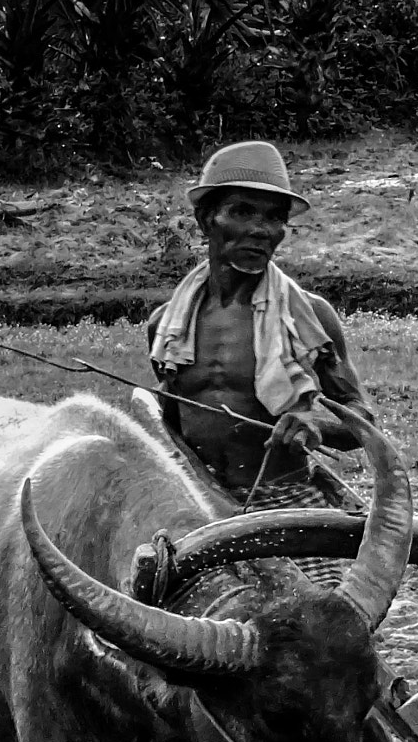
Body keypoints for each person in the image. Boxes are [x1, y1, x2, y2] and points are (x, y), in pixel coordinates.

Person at [144, 141, 374, 513]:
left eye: (273, 217)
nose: (260, 230)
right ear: (206, 220)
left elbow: (362, 420)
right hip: (197, 503)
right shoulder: (168, 328)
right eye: (242, 212)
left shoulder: (311, 319)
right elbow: (170, 420)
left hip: (284, 498)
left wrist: (314, 422)